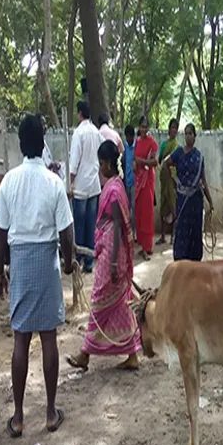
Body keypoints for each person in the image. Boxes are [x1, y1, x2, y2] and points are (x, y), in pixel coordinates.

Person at [0, 114, 75, 438]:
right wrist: (68, 262)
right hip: (46, 259)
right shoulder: (53, 183)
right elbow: (66, 231)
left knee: (21, 339)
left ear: (20, 145)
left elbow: (0, 232)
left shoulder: (9, 181)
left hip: (21, 262)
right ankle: (51, 412)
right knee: (49, 337)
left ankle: (18, 416)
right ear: (42, 145)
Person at [66, 141, 142, 372]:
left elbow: (118, 225)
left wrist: (115, 262)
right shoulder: (114, 186)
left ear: (108, 163)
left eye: (101, 163)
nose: (99, 168)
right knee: (120, 305)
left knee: (99, 301)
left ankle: (85, 353)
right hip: (110, 252)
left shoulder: (114, 190)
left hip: (112, 256)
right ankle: (132, 353)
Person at [163, 123, 214, 261]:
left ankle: (194, 263)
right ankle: (180, 262)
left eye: (190, 133)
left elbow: (203, 181)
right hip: (182, 200)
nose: (188, 136)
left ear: (195, 136)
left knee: (195, 231)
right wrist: (173, 182)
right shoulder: (178, 152)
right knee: (182, 229)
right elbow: (165, 163)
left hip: (196, 201)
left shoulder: (199, 156)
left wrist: (210, 201)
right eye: (186, 133)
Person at [69, 102, 103, 273]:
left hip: (81, 186)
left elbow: (74, 160)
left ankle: (78, 258)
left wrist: (71, 181)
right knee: (91, 224)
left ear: (80, 113)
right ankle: (89, 260)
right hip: (94, 185)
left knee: (79, 225)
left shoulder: (79, 133)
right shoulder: (96, 132)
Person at [133, 115, 159, 260]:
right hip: (138, 181)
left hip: (147, 182)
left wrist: (141, 161)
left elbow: (155, 162)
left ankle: (147, 246)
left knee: (147, 213)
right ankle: (141, 243)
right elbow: (133, 159)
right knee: (139, 213)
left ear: (148, 128)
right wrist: (135, 164)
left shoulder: (152, 143)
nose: (143, 129)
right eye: (141, 126)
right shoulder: (137, 142)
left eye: (145, 127)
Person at [157, 118, 179, 246]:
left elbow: (176, 163)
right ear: (169, 129)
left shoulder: (177, 146)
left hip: (172, 179)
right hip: (164, 178)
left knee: (173, 207)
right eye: (172, 128)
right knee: (163, 207)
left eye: (176, 128)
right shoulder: (164, 145)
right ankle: (162, 236)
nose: (174, 130)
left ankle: (173, 236)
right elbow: (160, 159)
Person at [122, 125, 137, 235]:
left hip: (135, 182)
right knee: (126, 207)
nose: (128, 139)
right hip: (126, 181)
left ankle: (134, 232)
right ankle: (128, 232)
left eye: (130, 137)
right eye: (127, 137)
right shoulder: (124, 147)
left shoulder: (137, 147)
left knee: (134, 207)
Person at [38, 113, 63, 178]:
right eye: (43, 124)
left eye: (45, 124)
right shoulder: (36, 144)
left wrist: (53, 165)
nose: (46, 126)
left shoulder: (43, 141)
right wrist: (51, 166)